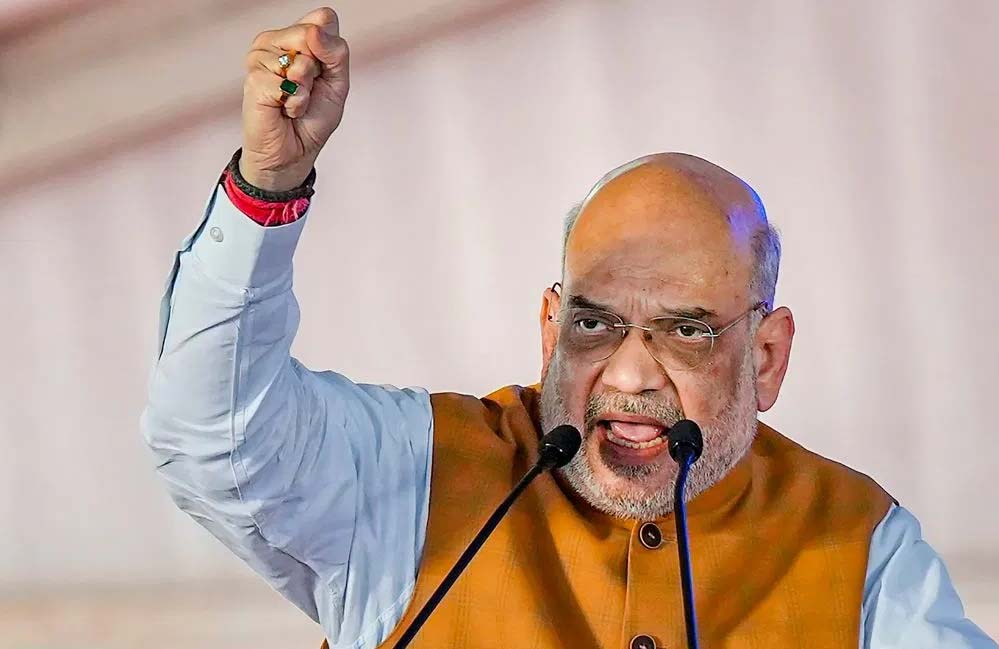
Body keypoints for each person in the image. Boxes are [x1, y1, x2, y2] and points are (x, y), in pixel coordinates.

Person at [141, 7, 997, 649]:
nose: (628, 375)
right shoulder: (413, 479)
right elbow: (210, 436)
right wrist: (266, 186)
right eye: (594, 323)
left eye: (686, 331)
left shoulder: (859, 547)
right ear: (550, 330)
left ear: (766, 356)